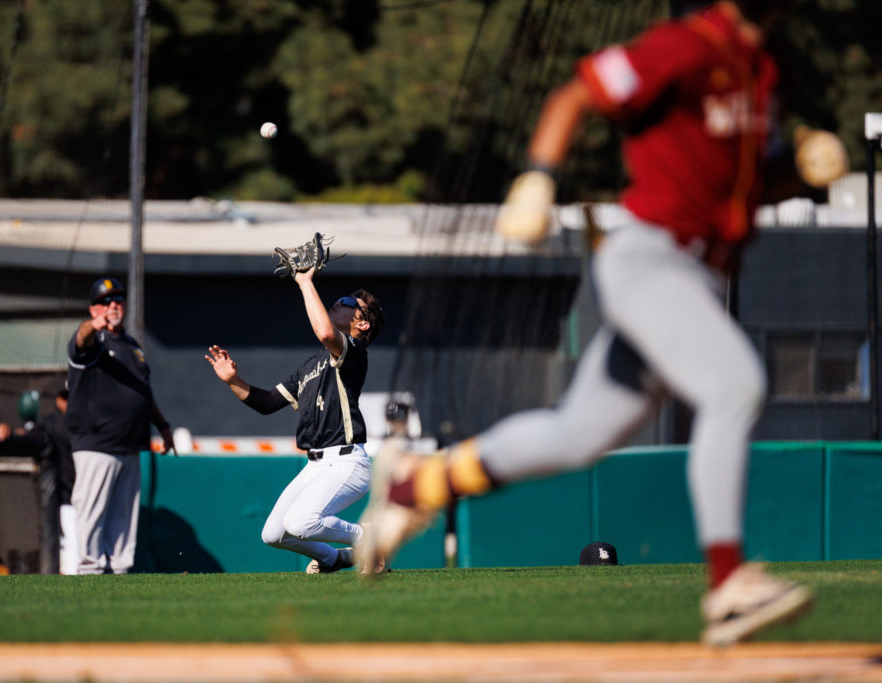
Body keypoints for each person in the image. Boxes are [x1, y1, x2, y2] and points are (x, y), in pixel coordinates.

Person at [357, 0, 845, 647]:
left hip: (695, 273)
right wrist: (538, 178)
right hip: (651, 260)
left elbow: (732, 188)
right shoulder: (690, 44)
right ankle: (727, 582)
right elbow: (573, 97)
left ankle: (419, 481)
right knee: (734, 383)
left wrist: (797, 171)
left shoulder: (762, 71)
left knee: (575, 436)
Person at [205, 268, 384, 574]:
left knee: (301, 521)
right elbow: (266, 403)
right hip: (315, 465)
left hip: (346, 462)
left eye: (348, 303)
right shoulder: (311, 365)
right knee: (273, 534)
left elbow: (326, 332)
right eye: (340, 299)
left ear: (362, 323)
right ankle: (335, 559)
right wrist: (233, 380)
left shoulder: (353, 351)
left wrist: (304, 281)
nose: (339, 303)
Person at [66, 277, 175, 574]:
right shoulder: (95, 341)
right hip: (96, 444)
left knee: (123, 519)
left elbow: (143, 391)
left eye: (117, 300)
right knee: (92, 512)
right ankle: (89, 569)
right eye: (105, 301)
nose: (113, 305)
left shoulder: (131, 346)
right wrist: (92, 326)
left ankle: (119, 571)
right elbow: (80, 339)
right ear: (93, 309)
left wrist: (162, 425)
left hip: (129, 444)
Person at [0, 388, 78, 574]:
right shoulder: (52, 423)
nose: (73, 402)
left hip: (91, 496)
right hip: (68, 499)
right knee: (74, 553)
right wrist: (4, 428)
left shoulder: (85, 421)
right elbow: (24, 433)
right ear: (60, 400)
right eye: (68, 398)